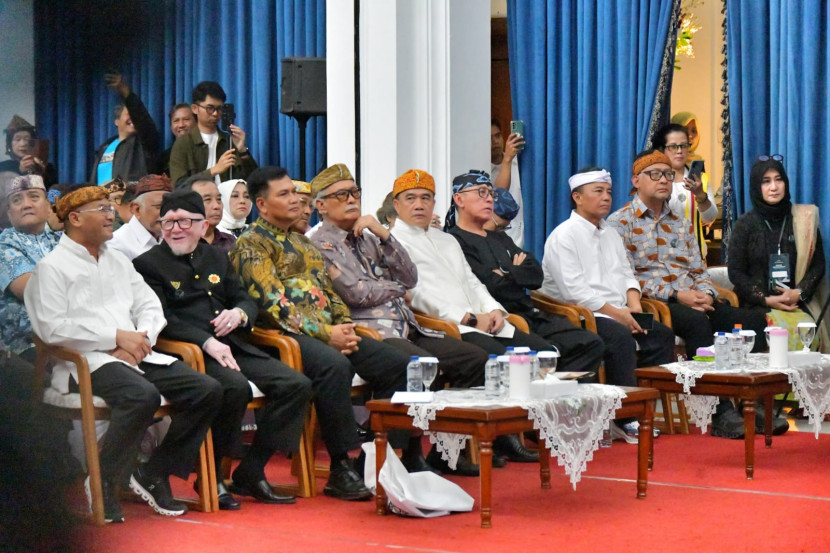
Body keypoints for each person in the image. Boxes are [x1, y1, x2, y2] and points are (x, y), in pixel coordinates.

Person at [24, 186, 222, 522]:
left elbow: (150, 306)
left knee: (207, 389)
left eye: (109, 208)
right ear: (75, 219)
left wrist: (140, 339)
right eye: (101, 209)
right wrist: (116, 337)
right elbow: (51, 329)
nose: (110, 215)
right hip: (84, 361)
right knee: (141, 395)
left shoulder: (117, 260)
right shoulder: (51, 267)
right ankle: (103, 481)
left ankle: (154, 471)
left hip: (135, 354)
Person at [230, 166, 412, 500]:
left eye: (294, 192)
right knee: (333, 365)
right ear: (262, 204)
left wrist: (343, 325)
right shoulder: (251, 245)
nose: (295, 199)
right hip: (280, 337)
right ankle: (341, 466)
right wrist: (326, 333)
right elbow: (273, 304)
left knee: (398, 365)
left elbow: (330, 293)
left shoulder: (302, 242)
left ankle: (372, 458)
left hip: (327, 333)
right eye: (284, 194)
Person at [134, 190, 311, 509]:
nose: (175, 229)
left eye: (184, 222)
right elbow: (161, 318)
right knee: (233, 387)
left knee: (295, 385)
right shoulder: (147, 265)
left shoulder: (217, 257)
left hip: (233, 344)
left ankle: (252, 469)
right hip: (189, 351)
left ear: (203, 226)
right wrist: (205, 341)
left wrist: (240, 313)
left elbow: (243, 297)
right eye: (168, 222)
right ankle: (212, 474)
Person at [607, 150, 783, 438]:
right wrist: (678, 295)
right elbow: (627, 278)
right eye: (655, 174)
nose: (664, 180)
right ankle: (720, 412)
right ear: (636, 180)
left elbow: (699, 269)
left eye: (668, 174)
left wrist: (707, 294)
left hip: (695, 299)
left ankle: (752, 403)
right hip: (657, 303)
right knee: (697, 322)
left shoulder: (680, 221)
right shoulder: (620, 223)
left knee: (755, 321)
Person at [390, 168, 554, 460]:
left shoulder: (446, 240)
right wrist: (467, 318)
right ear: (396, 204)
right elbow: (415, 294)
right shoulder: (394, 242)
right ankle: (498, 437)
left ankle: (520, 429)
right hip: (448, 324)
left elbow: (473, 282)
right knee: (496, 358)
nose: (419, 204)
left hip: (482, 320)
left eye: (426, 198)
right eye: (410, 198)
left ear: (435, 202)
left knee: (538, 352)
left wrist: (494, 309)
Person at [539, 167, 675, 440]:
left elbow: (627, 273)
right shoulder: (564, 236)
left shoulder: (610, 233)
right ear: (577, 197)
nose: (606, 197)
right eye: (598, 191)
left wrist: (634, 305)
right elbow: (575, 293)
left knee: (661, 335)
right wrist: (620, 315)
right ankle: (625, 417)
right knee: (620, 337)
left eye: (609, 192)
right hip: (583, 315)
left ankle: (645, 407)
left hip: (619, 311)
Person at [448, 173, 605, 376]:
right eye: (481, 192)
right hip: (501, 317)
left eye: (491, 193)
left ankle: (562, 393)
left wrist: (506, 273)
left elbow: (536, 275)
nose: (489, 199)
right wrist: (515, 272)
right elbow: (491, 286)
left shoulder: (500, 238)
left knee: (590, 343)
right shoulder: (455, 241)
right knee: (545, 353)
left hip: (530, 313)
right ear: (459, 199)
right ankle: (548, 388)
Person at [728, 156, 827, 350]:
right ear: (756, 187)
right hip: (756, 305)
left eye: (778, 179)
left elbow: (818, 265)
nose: (773, 187)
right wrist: (765, 299)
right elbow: (736, 272)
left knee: (806, 329)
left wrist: (798, 293)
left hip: (797, 303)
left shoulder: (803, 219)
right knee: (768, 331)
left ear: (786, 183)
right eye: (766, 181)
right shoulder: (744, 225)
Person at [0, 175, 60, 361]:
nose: (26, 205)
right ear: (9, 213)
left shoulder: (63, 240)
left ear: (48, 206)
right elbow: (35, 292)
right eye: (17, 200)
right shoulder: (4, 245)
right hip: (27, 346)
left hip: (76, 333)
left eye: (34, 197)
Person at [169, 81, 257, 185]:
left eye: (219, 108)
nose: (215, 113)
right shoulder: (183, 143)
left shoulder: (229, 141)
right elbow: (179, 185)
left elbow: (253, 182)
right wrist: (213, 171)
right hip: (198, 196)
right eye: (210, 108)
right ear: (195, 109)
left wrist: (242, 150)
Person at [652, 123, 717, 254]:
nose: (679, 151)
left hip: (694, 257)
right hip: (661, 257)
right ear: (662, 150)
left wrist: (700, 195)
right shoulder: (652, 180)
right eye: (673, 146)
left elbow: (710, 218)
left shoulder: (700, 180)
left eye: (684, 146)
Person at [90, 73, 161, 184]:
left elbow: (142, 119)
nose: (133, 118)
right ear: (117, 121)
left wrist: (126, 92)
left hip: (129, 194)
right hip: (102, 195)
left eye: (134, 116)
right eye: (128, 114)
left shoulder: (143, 144)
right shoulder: (104, 148)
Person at [108, 174, 172, 260]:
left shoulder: (172, 237)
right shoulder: (117, 245)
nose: (168, 213)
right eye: (159, 207)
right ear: (137, 209)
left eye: (171, 206)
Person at [489, 119, 525, 247]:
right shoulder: (484, 173)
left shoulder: (518, 164)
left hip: (525, 234)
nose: (495, 141)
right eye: (490, 138)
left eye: (498, 136)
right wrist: (507, 159)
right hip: (502, 240)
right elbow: (498, 197)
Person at [178, 175, 236, 252]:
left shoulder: (230, 241)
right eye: (207, 199)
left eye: (219, 199)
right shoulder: (178, 243)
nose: (216, 206)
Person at [1, 115, 57, 186]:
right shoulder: (3, 167)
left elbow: (54, 191)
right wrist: (21, 173)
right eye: (17, 139)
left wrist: (41, 173)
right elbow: (4, 191)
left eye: (27, 139)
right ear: (10, 144)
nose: (23, 144)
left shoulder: (48, 167)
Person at [159, 103, 196, 176]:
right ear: (171, 126)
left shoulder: (205, 150)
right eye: (176, 121)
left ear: (197, 122)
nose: (181, 125)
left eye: (186, 119)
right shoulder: (165, 157)